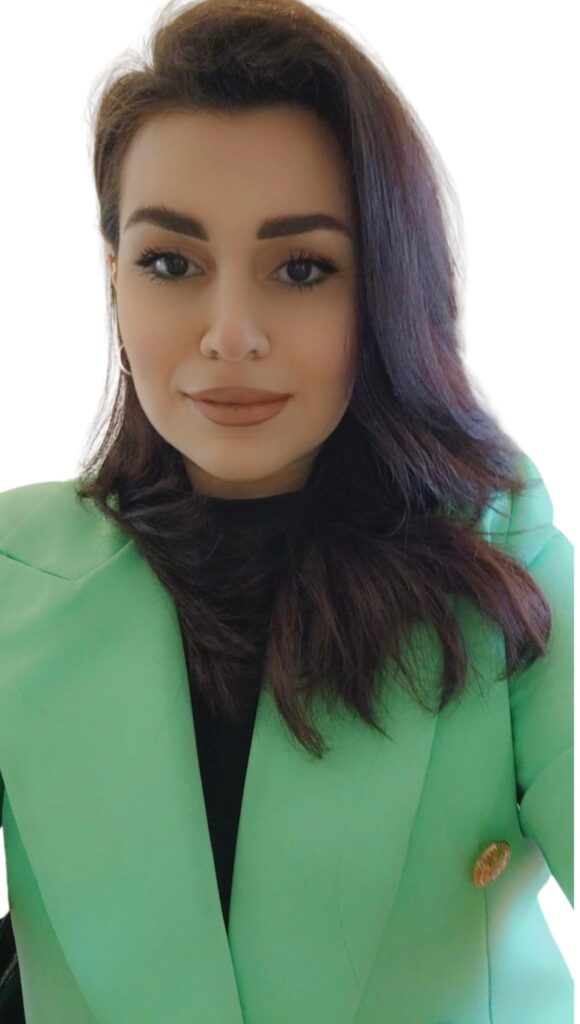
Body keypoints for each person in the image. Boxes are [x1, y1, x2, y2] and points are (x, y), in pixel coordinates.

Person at [0, 0, 573, 1021]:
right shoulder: (14, 574)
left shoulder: (499, 556)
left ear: (386, 287)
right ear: (113, 279)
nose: (231, 333)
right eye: (171, 263)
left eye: (302, 268)